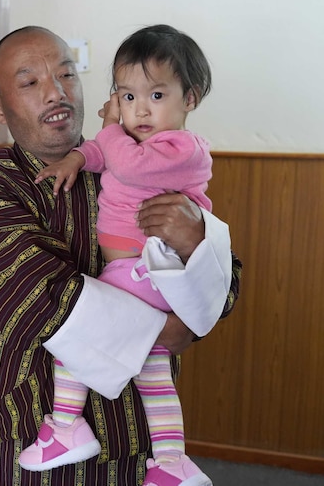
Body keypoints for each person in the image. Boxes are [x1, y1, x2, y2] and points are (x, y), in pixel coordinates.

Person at [0, 26, 241, 486]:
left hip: (138, 441)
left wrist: (195, 237)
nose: (56, 92)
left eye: (67, 74)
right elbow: (40, 295)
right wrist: (169, 326)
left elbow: (227, 286)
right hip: (36, 441)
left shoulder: (142, 165)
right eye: (30, 83)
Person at [20, 25, 218, 485]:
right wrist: (76, 158)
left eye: (156, 95)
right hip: (138, 273)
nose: (139, 109)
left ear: (190, 98)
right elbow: (99, 154)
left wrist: (108, 129)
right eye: (126, 97)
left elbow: (123, 161)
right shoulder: (135, 142)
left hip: (143, 271)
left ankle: (66, 426)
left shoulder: (183, 148)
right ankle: (171, 463)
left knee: (75, 334)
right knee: (154, 376)